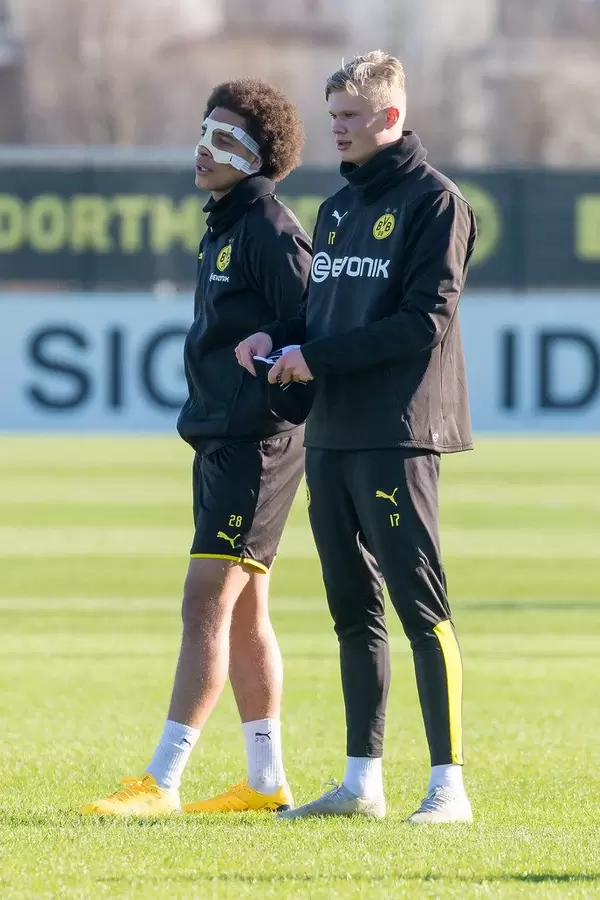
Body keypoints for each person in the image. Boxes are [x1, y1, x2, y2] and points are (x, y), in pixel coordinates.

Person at [236, 51, 476, 824]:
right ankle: (360, 782)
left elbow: (422, 324)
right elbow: (325, 319)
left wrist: (315, 357)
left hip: (397, 435)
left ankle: (449, 788)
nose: (335, 129)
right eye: (332, 115)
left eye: (350, 117)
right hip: (332, 435)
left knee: (421, 609)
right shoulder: (337, 209)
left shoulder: (436, 203)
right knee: (351, 612)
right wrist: (276, 337)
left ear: (392, 117)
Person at [82, 79, 312, 816]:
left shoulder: (270, 227)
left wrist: (277, 342)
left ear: (256, 157)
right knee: (244, 614)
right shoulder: (226, 224)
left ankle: (163, 781)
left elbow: (317, 321)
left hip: (257, 444)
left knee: (203, 603)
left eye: (222, 138)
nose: (203, 148)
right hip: (221, 438)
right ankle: (265, 781)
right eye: (202, 131)